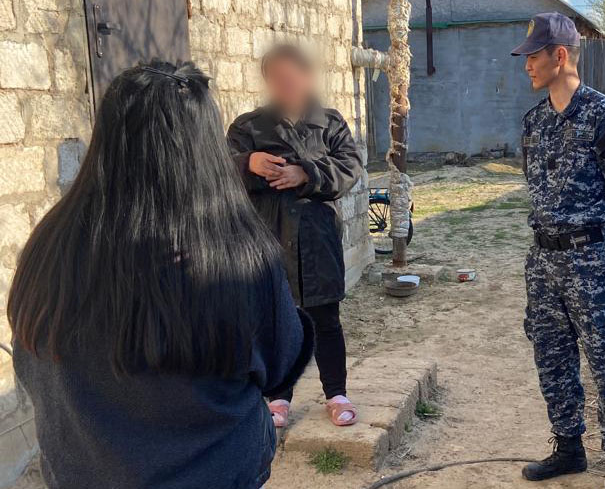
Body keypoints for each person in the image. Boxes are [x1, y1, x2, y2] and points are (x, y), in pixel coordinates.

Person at [9, 61, 314, 489]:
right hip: (215, 474)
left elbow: (30, 362)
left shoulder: (48, 243)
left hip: (80, 472)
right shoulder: (238, 258)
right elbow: (281, 365)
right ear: (206, 148)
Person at [512, 12, 605, 489]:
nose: (527, 65)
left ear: (560, 55)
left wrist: (604, 249)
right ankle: (568, 446)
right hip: (543, 260)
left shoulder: (603, 116)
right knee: (551, 356)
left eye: (533, 56)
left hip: (591, 259)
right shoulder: (534, 122)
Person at [227, 44, 363, 429]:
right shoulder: (248, 127)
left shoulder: (329, 123)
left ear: (306, 76)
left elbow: (350, 168)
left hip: (318, 239)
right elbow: (219, 171)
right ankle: (279, 398)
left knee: (325, 319)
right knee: (274, 322)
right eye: (276, 78)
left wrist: (306, 173)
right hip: (268, 240)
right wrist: (248, 163)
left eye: (291, 77)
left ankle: (336, 393)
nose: (285, 85)